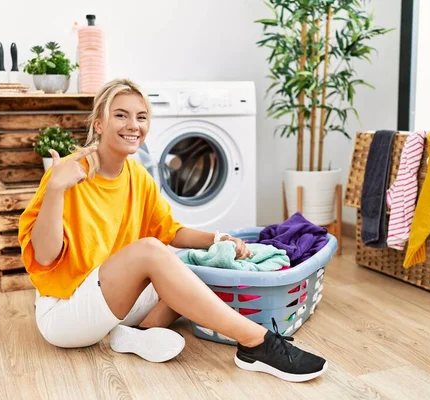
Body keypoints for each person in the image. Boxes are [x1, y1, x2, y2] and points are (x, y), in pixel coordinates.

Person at [18, 78, 328, 383]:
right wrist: (56, 190)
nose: (133, 125)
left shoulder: (137, 176)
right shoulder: (69, 174)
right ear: (99, 123)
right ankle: (256, 342)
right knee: (152, 252)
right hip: (66, 310)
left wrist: (219, 239)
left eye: (141, 117)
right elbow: (45, 257)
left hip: (110, 300)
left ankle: (132, 336)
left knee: (186, 270)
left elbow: (169, 230)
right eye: (121, 115)